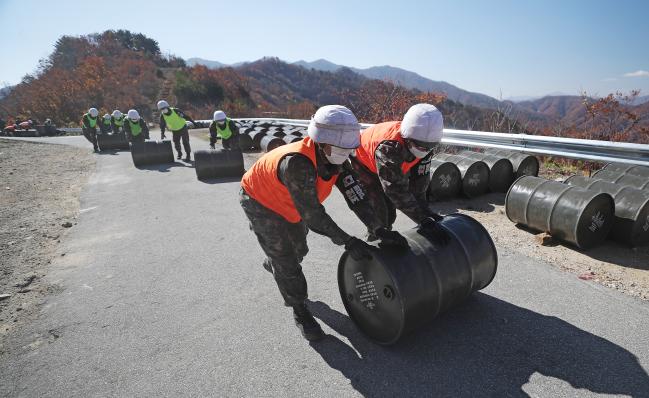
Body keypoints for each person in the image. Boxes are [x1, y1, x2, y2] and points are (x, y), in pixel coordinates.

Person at [240, 105, 407, 341]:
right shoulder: (297, 164)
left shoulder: (337, 161)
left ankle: (274, 262)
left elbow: (356, 197)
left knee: (299, 249)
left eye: (347, 149)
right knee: (287, 261)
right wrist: (348, 242)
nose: (343, 154)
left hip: (292, 206)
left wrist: (378, 227)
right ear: (321, 142)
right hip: (261, 202)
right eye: (339, 148)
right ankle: (300, 311)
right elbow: (314, 216)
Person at [341, 103, 449, 243]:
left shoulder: (426, 146)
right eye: (418, 145)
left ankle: (385, 241)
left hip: (389, 166)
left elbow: (419, 187)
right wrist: (422, 220)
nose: (423, 150)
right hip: (363, 164)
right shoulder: (389, 147)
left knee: (391, 214)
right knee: (380, 216)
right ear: (407, 137)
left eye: (428, 147)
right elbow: (395, 190)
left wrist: (428, 214)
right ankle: (373, 246)